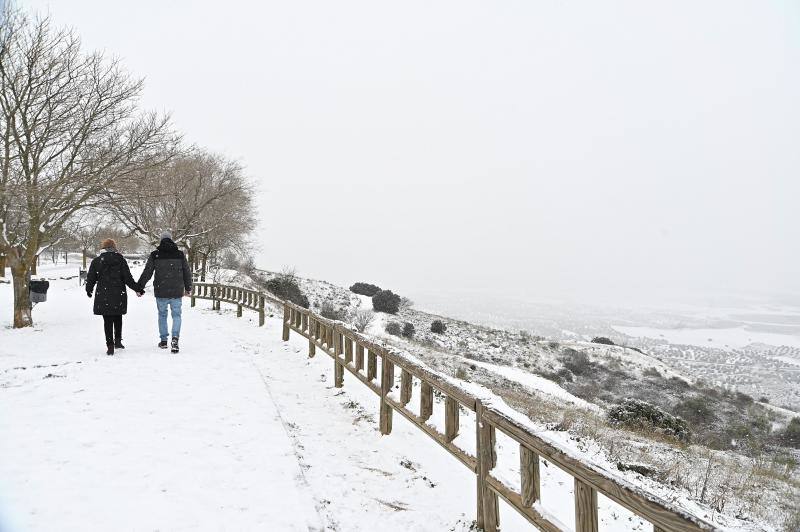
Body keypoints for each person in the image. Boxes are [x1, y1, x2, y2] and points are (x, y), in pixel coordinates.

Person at [86, 239, 144, 355]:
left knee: (107, 320)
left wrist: (89, 289)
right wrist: (137, 289)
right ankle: (118, 341)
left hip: (104, 294)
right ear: (114, 247)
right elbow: (127, 278)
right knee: (118, 317)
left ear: (103, 247)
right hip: (119, 293)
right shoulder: (120, 260)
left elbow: (91, 278)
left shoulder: (97, 261)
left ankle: (110, 345)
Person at [137, 231, 192, 353]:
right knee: (176, 315)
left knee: (162, 315)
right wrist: (188, 287)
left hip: (161, 290)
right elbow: (186, 272)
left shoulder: (155, 255)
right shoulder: (179, 254)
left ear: (161, 241)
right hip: (177, 291)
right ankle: (175, 338)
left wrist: (139, 287)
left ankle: (163, 341)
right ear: (171, 240)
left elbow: (148, 272)